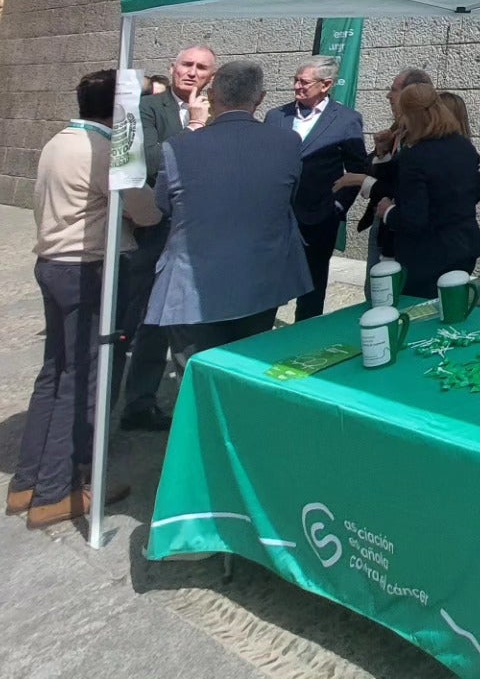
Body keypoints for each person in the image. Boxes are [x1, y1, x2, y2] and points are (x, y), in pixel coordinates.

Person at [9, 71, 160, 529]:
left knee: (54, 374)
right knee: (83, 381)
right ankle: (59, 489)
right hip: (86, 268)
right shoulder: (107, 150)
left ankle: (28, 482)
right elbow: (146, 211)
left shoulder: (60, 140)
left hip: (53, 263)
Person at [145, 61, 311, 369]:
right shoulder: (287, 142)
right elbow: (288, 197)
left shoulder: (179, 146)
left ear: (212, 96)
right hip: (262, 280)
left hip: (193, 285)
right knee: (247, 371)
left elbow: (165, 205)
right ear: (259, 98)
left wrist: (193, 128)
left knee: (198, 379)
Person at [119, 43, 216, 432]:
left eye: (201, 67)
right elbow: (153, 161)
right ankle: (136, 404)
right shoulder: (148, 109)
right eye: (186, 65)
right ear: (172, 68)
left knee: (193, 317)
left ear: (212, 75)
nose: (192, 72)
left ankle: (194, 403)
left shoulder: (218, 110)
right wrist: (194, 128)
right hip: (156, 230)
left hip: (200, 230)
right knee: (147, 318)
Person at [340, 83, 480, 299]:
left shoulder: (415, 157)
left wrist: (387, 211)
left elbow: (413, 219)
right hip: (463, 248)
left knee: (421, 318)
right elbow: (475, 193)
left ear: (411, 116)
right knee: (453, 310)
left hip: (426, 256)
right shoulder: (464, 147)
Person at [264, 58, 369, 321]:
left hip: (319, 216)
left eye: (304, 82)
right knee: (269, 281)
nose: (297, 87)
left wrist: (337, 207)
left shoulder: (346, 120)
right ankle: (259, 337)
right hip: (276, 215)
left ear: (326, 85)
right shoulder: (276, 116)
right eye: (295, 80)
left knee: (312, 284)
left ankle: (304, 338)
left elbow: (357, 168)